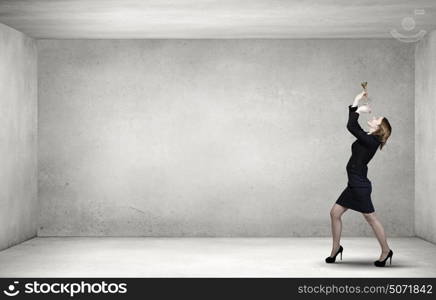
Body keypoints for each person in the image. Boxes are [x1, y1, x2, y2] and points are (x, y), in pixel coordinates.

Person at [325, 90, 393, 267]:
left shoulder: (372, 142)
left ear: (379, 128)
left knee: (371, 219)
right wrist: (356, 107)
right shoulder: (368, 138)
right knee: (334, 214)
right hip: (353, 184)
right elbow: (356, 128)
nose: (375, 117)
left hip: (360, 186)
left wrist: (356, 103)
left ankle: (386, 250)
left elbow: (351, 127)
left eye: (377, 119)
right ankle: (335, 248)